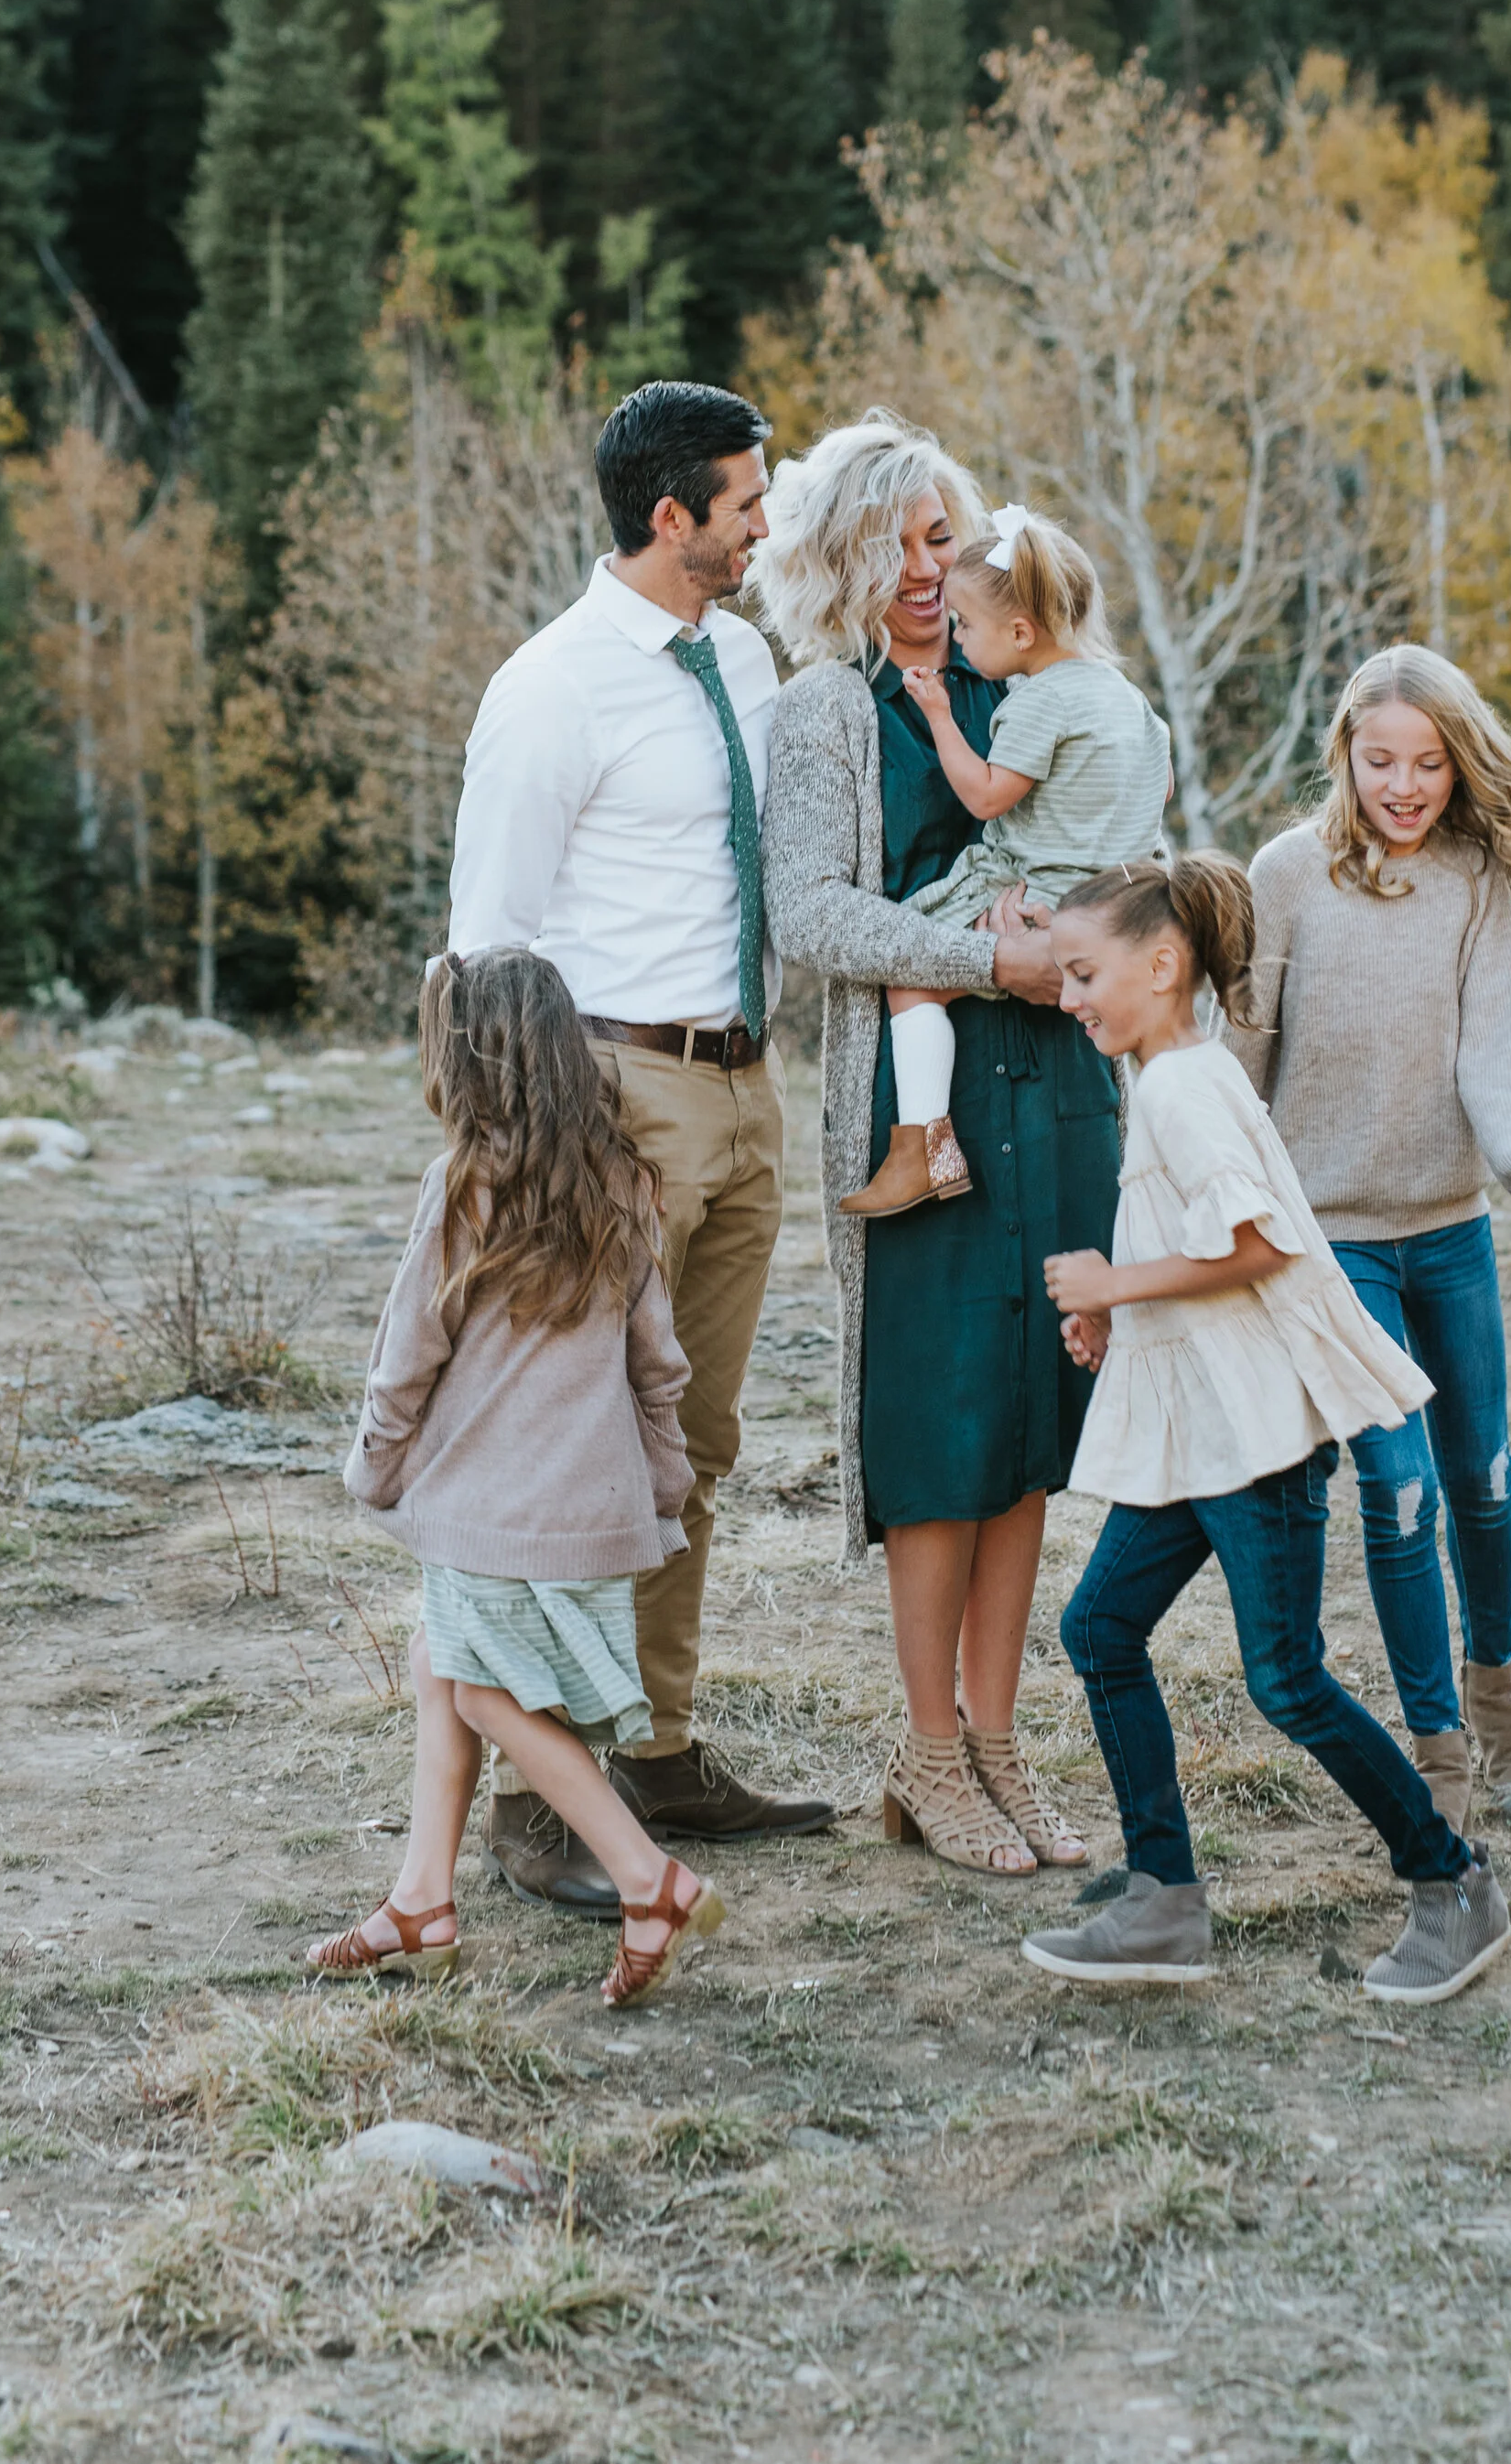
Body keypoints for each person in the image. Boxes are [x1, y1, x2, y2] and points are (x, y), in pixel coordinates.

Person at [448, 378, 833, 1912]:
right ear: (667, 517)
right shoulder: (550, 690)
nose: (761, 524)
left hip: (745, 1093)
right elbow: (488, 947)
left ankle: (659, 1747)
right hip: (612, 1100)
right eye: (743, 503)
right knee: (575, 1457)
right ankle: (546, 1809)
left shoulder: (741, 656)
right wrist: (538, 1153)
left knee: (694, 1450)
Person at [1024, 857, 1511, 2005]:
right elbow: (1197, 1242)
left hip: (1257, 1442)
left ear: (1162, 963)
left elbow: (1259, 1248)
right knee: (1099, 1629)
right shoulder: (1165, 1079)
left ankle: (1452, 1881)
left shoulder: (1185, 1088)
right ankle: (1161, 1900)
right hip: (1202, 1435)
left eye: (1084, 973)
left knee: (1285, 1679)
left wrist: (1108, 1282)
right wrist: (1121, 1304)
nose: (1070, 996)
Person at [755, 413, 1117, 1878]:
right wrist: (986, 962)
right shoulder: (826, 714)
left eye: (946, 540)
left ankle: (998, 1738)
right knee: (939, 1429)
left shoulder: (1019, 682)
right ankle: (922, 1748)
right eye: (906, 541)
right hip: (929, 1114)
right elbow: (814, 914)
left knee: (1032, 1419)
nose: (933, 567)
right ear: (848, 553)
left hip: (1061, 1084)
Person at [308, 950, 724, 2011]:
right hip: (584, 1502)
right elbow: (658, 1365)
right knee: (442, 1656)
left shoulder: (464, 1185)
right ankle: (421, 1900)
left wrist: (374, 1463)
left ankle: (648, 1878)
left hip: (493, 1507)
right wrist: (661, 1486)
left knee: (486, 1689)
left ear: (469, 1064)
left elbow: (409, 1349)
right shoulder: (626, 1183)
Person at [1241, 644, 1511, 1835]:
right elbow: (1241, 1054)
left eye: (1429, 763)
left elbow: (1493, 1039)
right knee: (1395, 1494)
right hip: (1333, 1242)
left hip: (1449, 1231)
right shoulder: (1284, 876)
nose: (1403, 784)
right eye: (1381, 759)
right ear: (1343, 750)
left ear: (1456, 765)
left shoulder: (1471, 881)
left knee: (1482, 1481)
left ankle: (1503, 1720)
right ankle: (1435, 1749)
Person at [845, 503, 1171, 1218]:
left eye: (966, 626)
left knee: (912, 972)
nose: (957, 637)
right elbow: (1157, 792)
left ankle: (923, 1147)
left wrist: (934, 713)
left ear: (1021, 633)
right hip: (1111, 903)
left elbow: (988, 796)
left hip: (1029, 893)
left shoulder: (1035, 703)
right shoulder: (1129, 700)